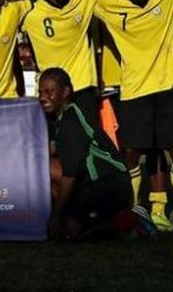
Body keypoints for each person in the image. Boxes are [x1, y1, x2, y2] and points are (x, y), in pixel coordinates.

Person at [94, 0, 173, 241]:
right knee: (131, 155)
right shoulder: (107, 4)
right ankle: (133, 213)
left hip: (170, 87)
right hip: (134, 92)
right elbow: (81, 0)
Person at [38, 68, 133, 240]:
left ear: (65, 92)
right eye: (41, 92)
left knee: (69, 231)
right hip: (93, 183)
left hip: (108, 185)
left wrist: (56, 216)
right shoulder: (61, 116)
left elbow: (69, 174)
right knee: (42, 167)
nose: (43, 97)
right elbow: (53, 150)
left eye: (49, 92)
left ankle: (126, 223)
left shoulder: (71, 121)